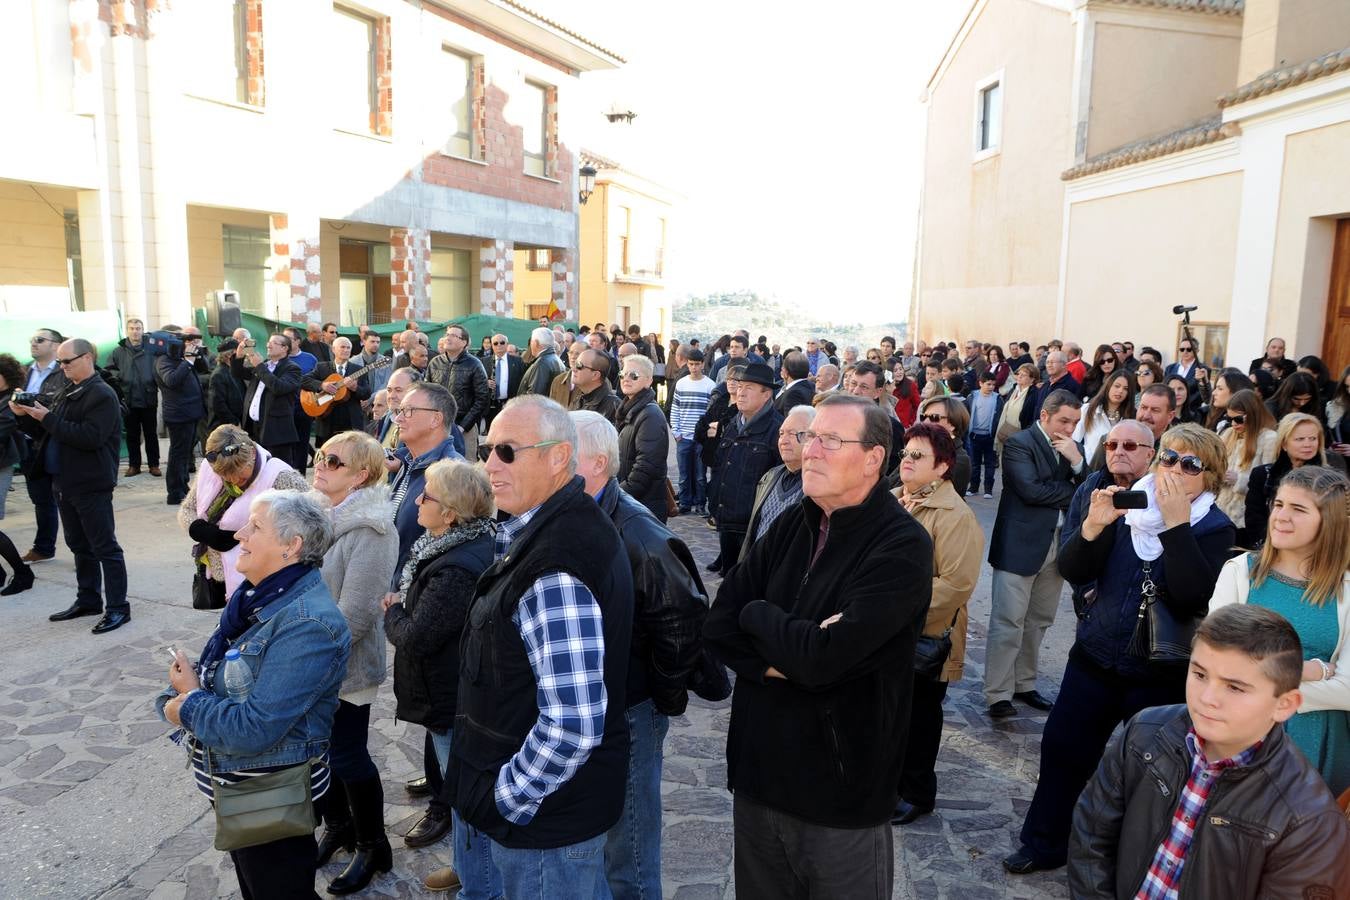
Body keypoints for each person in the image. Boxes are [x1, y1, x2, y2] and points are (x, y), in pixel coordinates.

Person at [703, 394, 933, 899]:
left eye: (830, 440)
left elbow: (821, 660)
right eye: (810, 438)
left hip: (839, 795)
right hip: (759, 776)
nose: (811, 451)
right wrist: (785, 655)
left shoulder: (902, 545)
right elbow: (719, 625)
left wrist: (758, 614)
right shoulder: (794, 522)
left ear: (873, 459)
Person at [1005, 423, 1234, 875]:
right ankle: (1043, 842)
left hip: (1160, 671)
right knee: (1063, 750)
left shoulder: (1215, 527)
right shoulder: (1127, 504)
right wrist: (1092, 528)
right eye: (1168, 457)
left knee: (1151, 773)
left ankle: (1130, 860)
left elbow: (1192, 595)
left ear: (1209, 477)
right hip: (1095, 658)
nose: (1173, 469)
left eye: (1189, 464)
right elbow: (1073, 568)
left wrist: (1175, 526)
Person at [445, 395, 633, 897]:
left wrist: (506, 799)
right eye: (487, 450)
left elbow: (572, 723)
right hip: (520, 812)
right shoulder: (542, 526)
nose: (489, 464)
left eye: (507, 451)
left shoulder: (558, 561)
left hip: (542, 831)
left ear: (556, 458)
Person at [1067, 605, 1350, 898]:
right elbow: (1091, 834)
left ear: (1285, 704)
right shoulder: (1145, 732)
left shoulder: (1309, 820)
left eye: (1235, 688)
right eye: (1200, 674)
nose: (1207, 698)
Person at [156, 491, 351, 900]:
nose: (240, 533)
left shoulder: (309, 623)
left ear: (291, 545)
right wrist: (194, 687)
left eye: (255, 527)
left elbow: (254, 728)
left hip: (269, 794)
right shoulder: (255, 598)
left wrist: (187, 705)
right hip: (241, 788)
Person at [571, 410, 713, 899]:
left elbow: (684, 616)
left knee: (628, 844)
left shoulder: (636, 529)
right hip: (602, 703)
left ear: (591, 463)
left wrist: (660, 695)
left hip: (630, 706)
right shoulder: (580, 513)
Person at [380, 458, 496, 896]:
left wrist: (393, 610)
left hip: (450, 695)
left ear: (450, 513)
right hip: (452, 690)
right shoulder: (450, 545)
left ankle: (476, 880)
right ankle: (469, 867)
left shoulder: (452, 568)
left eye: (426, 496)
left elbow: (415, 637)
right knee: (460, 788)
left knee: (463, 796)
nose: (417, 501)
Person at [1210, 466, 1350, 794]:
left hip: (1319, 747)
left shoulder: (1346, 589)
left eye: (1298, 509)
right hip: (1241, 734)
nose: (1281, 516)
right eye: (1279, 504)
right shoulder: (1239, 572)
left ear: (1329, 521)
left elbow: (1347, 690)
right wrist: (1309, 670)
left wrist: (1257, 683)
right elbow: (1217, 664)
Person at [307, 431, 399, 894]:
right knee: (319, 751)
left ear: (361, 474)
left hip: (345, 665)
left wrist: (311, 661)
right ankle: (338, 825)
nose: (320, 464)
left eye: (333, 461)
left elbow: (358, 611)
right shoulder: (316, 513)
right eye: (320, 455)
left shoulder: (373, 529)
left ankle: (372, 844)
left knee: (347, 754)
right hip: (310, 660)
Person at [891, 421, 984, 825]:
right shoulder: (894, 499)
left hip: (923, 637)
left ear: (943, 466)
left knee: (919, 719)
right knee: (891, 714)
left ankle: (916, 793)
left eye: (918, 456)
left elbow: (956, 585)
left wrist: (892, 610)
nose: (907, 462)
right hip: (885, 634)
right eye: (905, 454)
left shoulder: (954, 516)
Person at [14, 339, 128, 634]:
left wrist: (47, 417)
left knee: (105, 547)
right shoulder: (70, 388)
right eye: (61, 362)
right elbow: (48, 432)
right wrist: (27, 417)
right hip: (64, 480)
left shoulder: (101, 394)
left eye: (67, 361)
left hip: (91, 482)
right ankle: (88, 599)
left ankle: (118, 607)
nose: (62, 367)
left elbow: (90, 437)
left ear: (87, 358)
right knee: (79, 545)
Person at [985, 390, 1083, 718]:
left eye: (1075, 422)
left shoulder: (1073, 448)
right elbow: (1029, 490)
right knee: (1008, 620)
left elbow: (1090, 486)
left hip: (1057, 544)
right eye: (1064, 421)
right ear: (1045, 416)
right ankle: (998, 692)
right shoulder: (1019, 443)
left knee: (1039, 620)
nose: (1070, 428)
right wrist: (1070, 490)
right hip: (1019, 543)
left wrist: (1078, 462)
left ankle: (1024, 684)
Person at [177, 425, 309, 605]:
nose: (233, 482)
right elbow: (187, 509)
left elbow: (313, 523)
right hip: (219, 577)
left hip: (259, 582)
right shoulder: (211, 467)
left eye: (241, 477)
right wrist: (203, 531)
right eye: (225, 477)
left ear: (252, 455)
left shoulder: (280, 476)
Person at [708, 362, 784, 573]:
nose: (740, 393)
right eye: (740, 387)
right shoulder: (734, 423)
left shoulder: (777, 430)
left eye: (748, 388)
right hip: (727, 520)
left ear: (766, 394)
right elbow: (719, 465)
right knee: (729, 578)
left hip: (753, 527)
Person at [388, 382, 464, 572]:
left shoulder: (453, 474)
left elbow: (453, 556)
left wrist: (404, 592)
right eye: (399, 411)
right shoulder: (407, 462)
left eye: (408, 411)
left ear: (435, 419)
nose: (397, 418)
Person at [1245, 411, 1334, 549]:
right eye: (1300, 439)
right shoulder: (1262, 475)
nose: (1308, 444)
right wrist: (1269, 548)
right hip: (1269, 548)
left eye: (1313, 438)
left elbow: (1334, 521)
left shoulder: (1330, 479)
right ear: (1284, 444)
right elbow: (1254, 518)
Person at [19, 327, 69, 562]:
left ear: (55, 344)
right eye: (32, 339)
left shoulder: (64, 371)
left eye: (40, 339)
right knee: (40, 499)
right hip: (29, 444)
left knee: (69, 501)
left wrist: (35, 404)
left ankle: (88, 553)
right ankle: (43, 548)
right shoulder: (23, 373)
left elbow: (61, 406)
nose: (34, 343)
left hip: (54, 442)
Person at [739, 405, 814, 561]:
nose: (784, 441)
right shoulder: (769, 477)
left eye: (793, 434)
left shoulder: (819, 487)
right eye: (781, 434)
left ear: (812, 438)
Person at [1215, 389, 1278, 547]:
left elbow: (1269, 482)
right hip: (1221, 513)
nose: (1234, 424)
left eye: (1238, 419)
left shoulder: (1269, 438)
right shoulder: (1228, 434)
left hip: (1247, 520)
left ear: (1252, 414)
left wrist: (1239, 480)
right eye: (1229, 419)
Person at [615, 353, 669, 522]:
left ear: (648, 380)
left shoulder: (650, 414)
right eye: (623, 374)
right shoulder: (629, 409)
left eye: (634, 376)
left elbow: (646, 466)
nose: (626, 379)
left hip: (643, 505)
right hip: (632, 502)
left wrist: (619, 494)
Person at [156, 332, 207, 506]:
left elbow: (203, 368)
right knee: (178, 454)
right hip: (179, 415)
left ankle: (182, 485)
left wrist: (196, 354)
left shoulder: (182, 359)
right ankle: (175, 491)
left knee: (185, 453)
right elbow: (172, 380)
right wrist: (188, 362)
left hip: (191, 412)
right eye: (185, 342)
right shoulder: (163, 360)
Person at [237, 333, 303, 466]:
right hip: (253, 428)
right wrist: (238, 356)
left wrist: (259, 366)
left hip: (276, 431)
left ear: (285, 348)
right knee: (256, 468)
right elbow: (237, 373)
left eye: (273, 343)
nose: (268, 345)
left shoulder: (292, 368)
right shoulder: (265, 366)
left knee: (277, 469)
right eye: (268, 342)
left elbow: (278, 387)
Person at [425, 323, 489, 459]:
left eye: (453, 335)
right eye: (447, 334)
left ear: (464, 342)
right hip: (437, 426)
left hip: (464, 428)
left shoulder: (474, 364)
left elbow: (482, 399)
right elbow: (427, 394)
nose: (448, 338)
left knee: (465, 468)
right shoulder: (434, 363)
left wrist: (463, 426)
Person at [105, 317, 159, 477]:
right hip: (128, 398)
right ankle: (134, 465)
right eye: (132, 328)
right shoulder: (118, 351)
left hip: (148, 397)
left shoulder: (151, 350)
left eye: (138, 328)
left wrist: (153, 379)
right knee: (132, 434)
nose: (135, 331)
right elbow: (109, 370)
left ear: (142, 330)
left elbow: (159, 368)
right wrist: (121, 376)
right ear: (127, 331)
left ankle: (154, 464)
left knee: (151, 433)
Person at [302, 336, 371, 447]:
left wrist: (355, 388)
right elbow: (304, 380)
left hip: (350, 421)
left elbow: (367, 393)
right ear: (333, 349)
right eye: (342, 347)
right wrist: (322, 385)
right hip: (327, 420)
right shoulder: (322, 367)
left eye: (348, 348)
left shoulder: (358, 369)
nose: (346, 350)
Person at [671, 348, 715, 516]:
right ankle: (685, 503)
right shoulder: (681, 383)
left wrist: (706, 434)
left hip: (701, 438)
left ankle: (700, 503)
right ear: (687, 364)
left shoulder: (710, 385)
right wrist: (676, 431)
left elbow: (711, 413)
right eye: (691, 364)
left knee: (700, 474)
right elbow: (675, 408)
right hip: (684, 437)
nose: (694, 367)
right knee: (683, 474)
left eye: (697, 364)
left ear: (702, 364)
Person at [1074, 370, 1137, 465]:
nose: (1120, 391)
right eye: (1117, 386)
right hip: (1089, 467)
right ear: (1108, 386)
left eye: (1126, 388)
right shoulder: (1088, 409)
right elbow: (1075, 440)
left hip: (1117, 467)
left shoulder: (1132, 416)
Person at [917, 395, 972, 497]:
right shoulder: (919, 449)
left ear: (953, 424)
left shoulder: (959, 460)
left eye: (934, 418)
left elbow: (925, 495)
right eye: (923, 417)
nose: (926, 422)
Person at [965, 371, 1004, 498]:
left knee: (990, 464)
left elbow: (1000, 417)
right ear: (980, 383)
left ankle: (988, 490)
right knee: (975, 464)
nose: (991, 387)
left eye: (993, 384)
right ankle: (973, 487)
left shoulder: (997, 398)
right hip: (974, 436)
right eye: (988, 384)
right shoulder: (972, 397)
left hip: (990, 437)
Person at [1024, 352, 1080, 425]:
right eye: (1047, 362)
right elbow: (1037, 408)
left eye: (1052, 362)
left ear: (1063, 365)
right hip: (1038, 427)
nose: (1049, 365)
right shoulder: (1045, 385)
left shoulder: (1072, 386)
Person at [996, 363, 1037, 458]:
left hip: (1020, 436)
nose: (1020, 376)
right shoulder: (1014, 389)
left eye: (1024, 375)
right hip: (1006, 433)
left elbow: (1031, 417)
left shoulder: (1034, 394)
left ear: (1032, 379)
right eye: (1019, 373)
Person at [569, 348, 621, 421]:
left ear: (595, 375)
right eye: (575, 363)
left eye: (579, 365)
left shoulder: (612, 406)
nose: (574, 369)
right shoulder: (580, 398)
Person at [208, 338, 245, 430]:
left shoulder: (236, 371)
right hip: (225, 427)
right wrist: (234, 422)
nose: (243, 354)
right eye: (239, 351)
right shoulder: (219, 374)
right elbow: (218, 404)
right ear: (230, 355)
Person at [517, 327, 564, 397]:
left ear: (536, 343)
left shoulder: (542, 363)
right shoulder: (555, 358)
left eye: (531, 342)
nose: (530, 345)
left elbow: (534, 396)